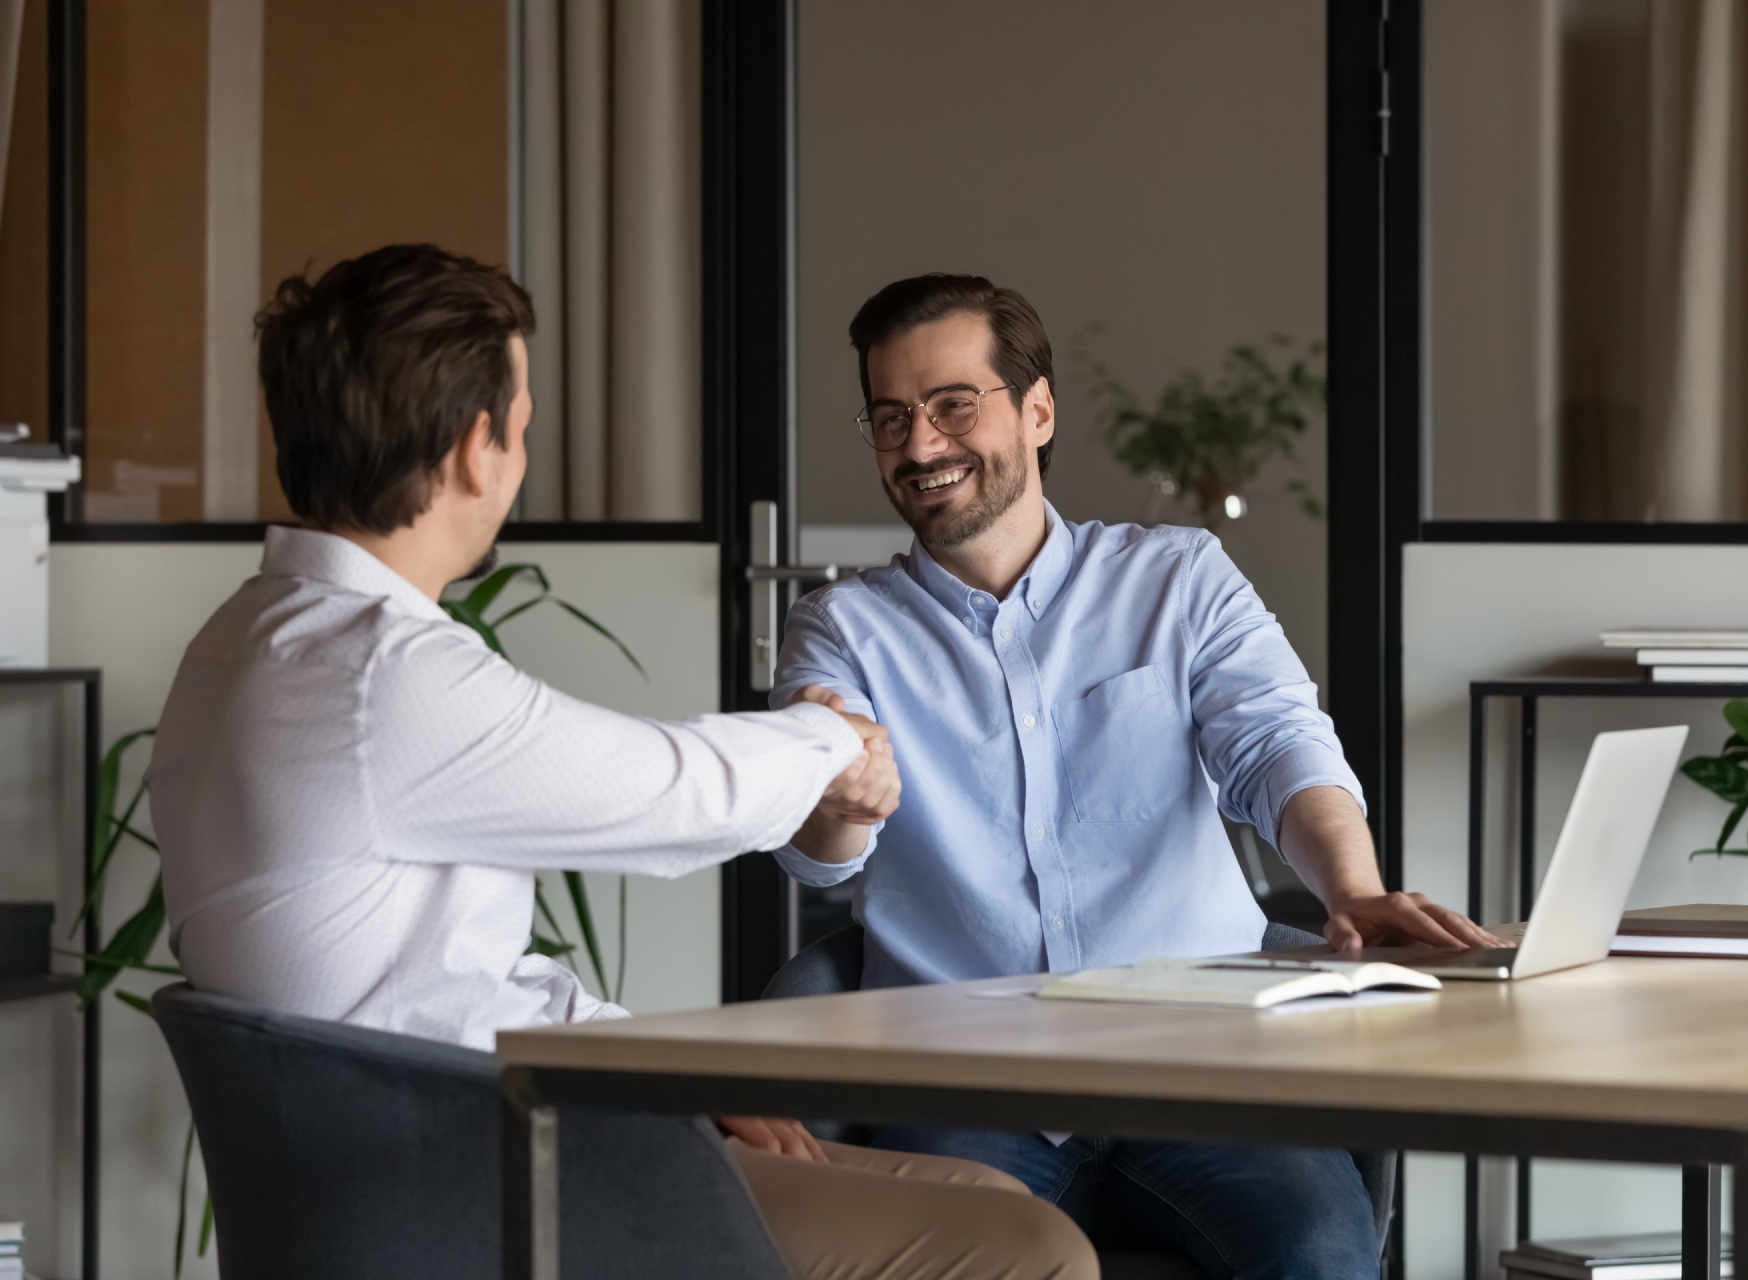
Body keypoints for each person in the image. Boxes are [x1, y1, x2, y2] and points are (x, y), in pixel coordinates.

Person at [147, 245, 1095, 1280]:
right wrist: (840, 742)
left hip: (436, 1146)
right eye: (523, 424)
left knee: (988, 1197)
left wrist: (676, 1076)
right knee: (1030, 1247)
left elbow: (448, 986)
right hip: (474, 1181)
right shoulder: (378, 670)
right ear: (478, 448)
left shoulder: (248, 636)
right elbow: (670, 788)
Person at [771, 273, 1504, 1280]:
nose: (922, 444)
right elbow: (817, 850)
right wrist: (834, 807)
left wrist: (1354, 887)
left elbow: (1276, 740)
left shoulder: (1179, 576)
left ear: (1037, 410)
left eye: (952, 405)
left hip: (1204, 1069)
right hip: (965, 1082)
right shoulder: (840, 628)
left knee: (1319, 1254)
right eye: (892, 417)